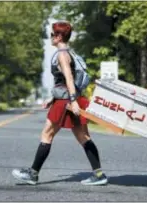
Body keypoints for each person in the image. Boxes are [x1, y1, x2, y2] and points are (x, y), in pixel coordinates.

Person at [12, 21, 108, 186]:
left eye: (51, 35)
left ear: (58, 36)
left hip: (66, 102)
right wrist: (53, 98)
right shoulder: (69, 52)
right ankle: (99, 174)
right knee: (83, 137)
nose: (50, 38)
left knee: (47, 134)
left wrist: (71, 101)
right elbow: (63, 81)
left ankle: (33, 174)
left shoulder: (62, 55)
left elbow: (69, 79)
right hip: (68, 98)